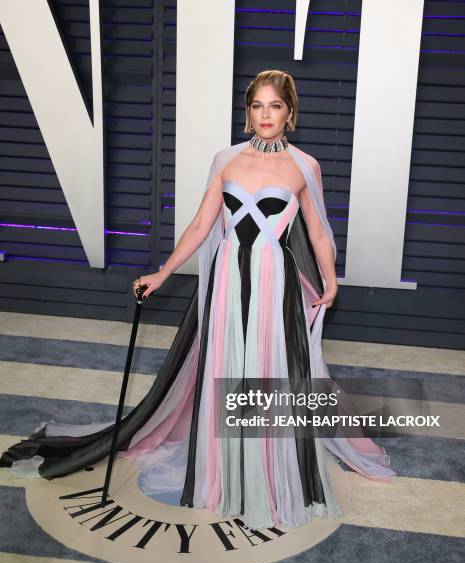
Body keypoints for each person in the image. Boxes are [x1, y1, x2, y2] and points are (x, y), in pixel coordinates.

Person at [0, 69, 394, 530]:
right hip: (227, 278)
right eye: (257, 106)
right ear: (248, 113)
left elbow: (318, 230)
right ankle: (225, 472)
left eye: (276, 106)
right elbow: (200, 226)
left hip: (273, 280)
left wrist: (330, 277)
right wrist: (163, 272)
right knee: (228, 371)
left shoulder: (305, 166)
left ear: (290, 113)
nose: (266, 115)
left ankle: (269, 472)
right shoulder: (225, 160)